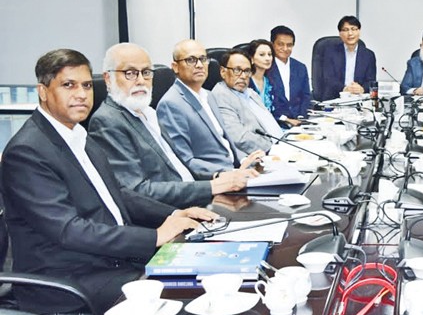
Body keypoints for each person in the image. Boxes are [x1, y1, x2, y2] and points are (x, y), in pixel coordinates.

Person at [1, 49, 217, 315]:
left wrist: (173, 214)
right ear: (43, 91)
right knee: (186, 296)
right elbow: (69, 230)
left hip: (110, 262)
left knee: (209, 270)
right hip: (70, 281)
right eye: (68, 85)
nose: (81, 94)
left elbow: (118, 195)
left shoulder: (79, 136)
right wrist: (155, 236)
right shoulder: (27, 152)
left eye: (87, 85)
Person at [89, 43, 256, 208]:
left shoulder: (148, 112)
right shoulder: (108, 121)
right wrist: (212, 186)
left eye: (146, 72)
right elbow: (137, 191)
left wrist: (220, 175)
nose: (141, 80)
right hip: (172, 213)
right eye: (130, 73)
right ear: (107, 78)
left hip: (198, 197)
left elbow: (180, 165)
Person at [157, 39, 265, 175]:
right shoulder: (171, 104)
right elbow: (186, 161)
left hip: (237, 170)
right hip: (216, 181)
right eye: (191, 60)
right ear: (175, 66)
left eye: (203, 59)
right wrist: (231, 173)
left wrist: (245, 160)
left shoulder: (209, 96)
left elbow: (224, 142)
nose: (199, 65)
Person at [211, 48, 285, 155]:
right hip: (261, 155)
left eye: (247, 71)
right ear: (223, 72)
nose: (243, 76)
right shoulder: (220, 95)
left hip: (281, 145)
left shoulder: (250, 92)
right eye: (237, 70)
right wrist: (275, 150)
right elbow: (239, 138)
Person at [314, 15, 377, 102]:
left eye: (353, 29)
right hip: (334, 99)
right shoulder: (330, 53)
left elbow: (371, 81)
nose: (350, 33)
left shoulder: (369, 55)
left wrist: (361, 89)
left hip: (358, 100)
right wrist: (345, 89)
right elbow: (328, 79)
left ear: (359, 31)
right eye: (345, 30)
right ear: (340, 33)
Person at [267, 24, 312, 122]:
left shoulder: (300, 67)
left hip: (299, 121)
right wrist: (285, 120)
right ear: (272, 44)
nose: (285, 48)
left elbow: (306, 96)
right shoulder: (266, 68)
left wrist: (301, 117)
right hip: (275, 122)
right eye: (280, 44)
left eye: (289, 45)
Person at [247, 38, 276, 116]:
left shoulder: (271, 81)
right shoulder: (245, 81)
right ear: (251, 59)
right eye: (262, 55)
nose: (267, 58)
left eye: (269, 54)